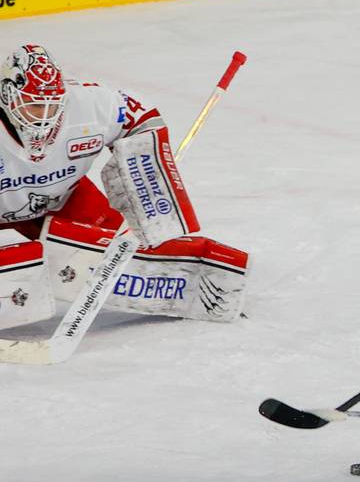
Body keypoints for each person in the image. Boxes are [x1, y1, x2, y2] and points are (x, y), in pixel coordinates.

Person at [0, 44, 247, 331]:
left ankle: (200, 292)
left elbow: (141, 117)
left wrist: (147, 182)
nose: (45, 115)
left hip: (62, 199)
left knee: (130, 253)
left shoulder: (90, 105)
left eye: (52, 105)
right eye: (34, 105)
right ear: (7, 95)